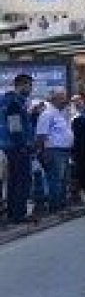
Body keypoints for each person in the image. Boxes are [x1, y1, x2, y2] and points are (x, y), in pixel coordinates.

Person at [2, 74, 38, 225]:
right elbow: (15, 127)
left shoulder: (12, 101)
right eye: (29, 85)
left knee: (14, 181)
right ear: (21, 85)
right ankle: (19, 214)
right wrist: (23, 146)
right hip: (17, 148)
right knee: (21, 181)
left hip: (11, 147)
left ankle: (13, 212)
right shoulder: (14, 103)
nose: (31, 89)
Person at [35, 90, 75, 215]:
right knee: (55, 179)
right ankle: (55, 207)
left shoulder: (60, 113)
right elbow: (41, 135)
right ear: (54, 99)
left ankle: (61, 205)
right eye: (62, 98)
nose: (65, 100)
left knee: (63, 180)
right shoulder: (47, 114)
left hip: (64, 151)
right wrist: (43, 151)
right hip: (53, 151)